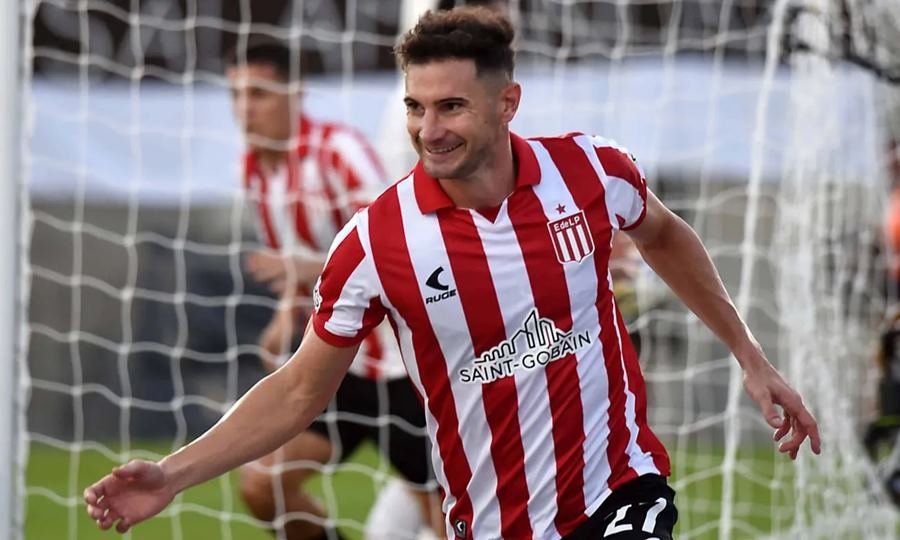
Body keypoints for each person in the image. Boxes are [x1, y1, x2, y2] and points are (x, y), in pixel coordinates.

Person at [85, 8, 821, 540]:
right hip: (491, 517)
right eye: (416, 106)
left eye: (451, 107)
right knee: (281, 487)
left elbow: (663, 233)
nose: (429, 130)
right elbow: (299, 389)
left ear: (507, 104)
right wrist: (172, 475)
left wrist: (750, 357)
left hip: (619, 490)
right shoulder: (376, 241)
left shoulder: (591, 170)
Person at [225, 37, 441, 539]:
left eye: (258, 94)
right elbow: (297, 263)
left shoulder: (338, 151)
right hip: (339, 368)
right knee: (263, 486)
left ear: (295, 92)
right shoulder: (253, 170)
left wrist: (309, 269)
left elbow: (394, 250)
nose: (245, 109)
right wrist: (286, 314)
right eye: (236, 95)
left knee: (448, 520)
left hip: (403, 368)